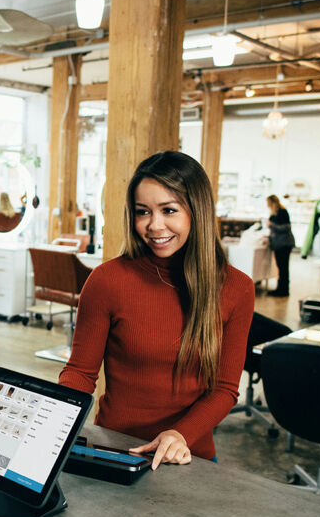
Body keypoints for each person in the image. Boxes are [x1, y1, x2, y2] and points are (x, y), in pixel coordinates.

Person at [59, 151, 254, 468]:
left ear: (197, 212)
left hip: (189, 456)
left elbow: (225, 389)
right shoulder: (107, 281)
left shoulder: (236, 288)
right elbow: (80, 373)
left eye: (169, 210)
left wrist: (179, 434)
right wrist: (51, 422)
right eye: (143, 212)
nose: (154, 225)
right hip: (115, 449)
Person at [265, 195, 295, 297]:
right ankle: (281, 288)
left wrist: (271, 225)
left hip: (284, 244)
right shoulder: (275, 212)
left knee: (283, 268)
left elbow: (286, 227)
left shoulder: (282, 212)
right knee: (281, 267)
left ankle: (283, 290)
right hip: (279, 244)